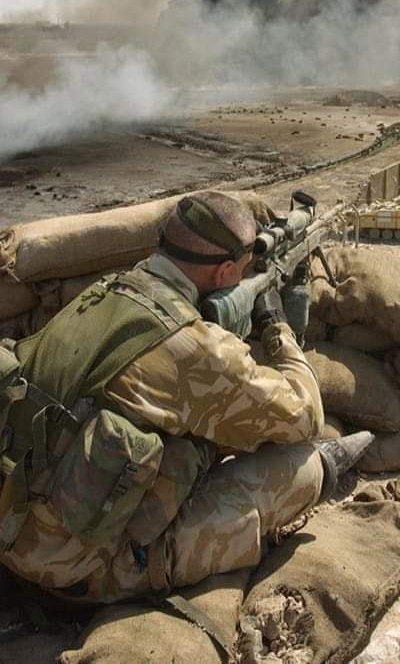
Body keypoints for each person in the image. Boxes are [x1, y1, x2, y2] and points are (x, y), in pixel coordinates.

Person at [0, 191, 372, 608]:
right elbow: (305, 415)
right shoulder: (196, 350)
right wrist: (276, 326)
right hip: (74, 570)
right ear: (225, 272)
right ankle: (327, 468)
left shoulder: (104, 293)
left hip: (16, 522)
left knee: (189, 437)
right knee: (299, 466)